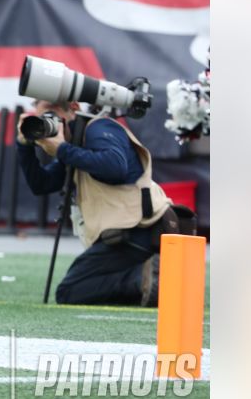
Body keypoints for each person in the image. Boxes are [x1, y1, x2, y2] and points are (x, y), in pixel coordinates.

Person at [17, 98, 174, 306]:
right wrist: (24, 146)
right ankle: (148, 277)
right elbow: (41, 184)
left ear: (73, 108)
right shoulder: (74, 143)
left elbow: (115, 167)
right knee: (79, 289)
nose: (48, 122)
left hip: (139, 231)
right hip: (129, 234)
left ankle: (145, 278)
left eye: (52, 114)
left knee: (69, 292)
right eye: (42, 117)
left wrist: (62, 150)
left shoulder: (99, 128)